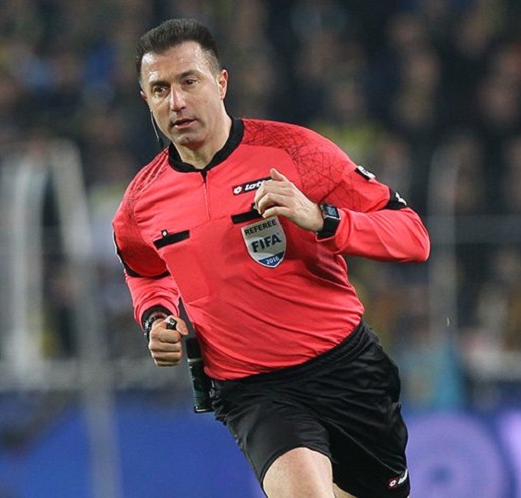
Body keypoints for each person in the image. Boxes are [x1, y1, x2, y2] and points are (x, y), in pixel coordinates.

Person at [112, 18, 429, 498]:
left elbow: (412, 236)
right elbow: (144, 272)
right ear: (146, 100)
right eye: (160, 89)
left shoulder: (296, 152)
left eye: (189, 82)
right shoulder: (141, 204)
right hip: (253, 390)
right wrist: (156, 317)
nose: (175, 102)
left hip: (347, 371)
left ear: (221, 83)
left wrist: (322, 218)